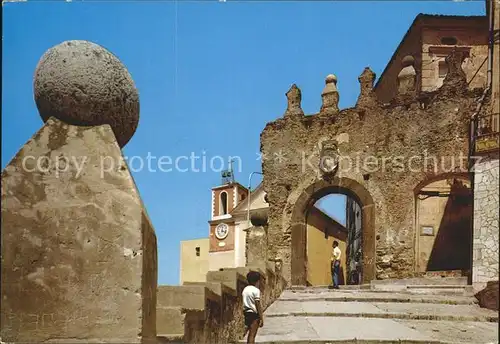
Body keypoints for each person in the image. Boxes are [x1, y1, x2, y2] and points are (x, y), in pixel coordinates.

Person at [243, 271, 264, 344]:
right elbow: (257, 304)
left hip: (246, 312)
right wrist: (261, 317)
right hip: (254, 314)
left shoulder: (245, 290)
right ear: (257, 281)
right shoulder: (256, 290)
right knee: (252, 335)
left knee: (249, 334)